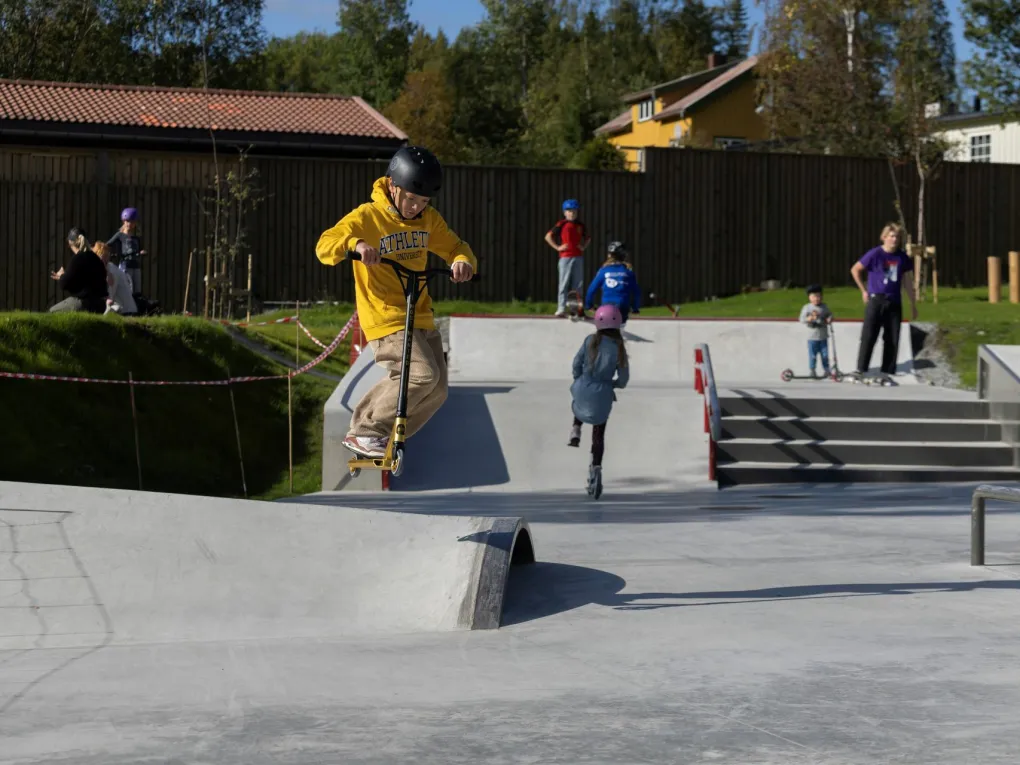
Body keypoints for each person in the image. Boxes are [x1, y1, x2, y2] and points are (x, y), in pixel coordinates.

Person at [315, 145, 477, 459]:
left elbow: (456, 246)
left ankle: (384, 439)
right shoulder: (368, 217)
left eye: (424, 202)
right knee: (422, 375)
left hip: (420, 314)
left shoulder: (429, 220)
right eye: (412, 199)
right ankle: (366, 430)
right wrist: (357, 244)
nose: (417, 207)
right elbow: (325, 245)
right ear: (393, 185)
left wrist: (462, 261)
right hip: (386, 316)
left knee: (438, 390)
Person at [568, 304, 630, 491]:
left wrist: (579, 379)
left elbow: (576, 363)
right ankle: (596, 467)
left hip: (583, 386)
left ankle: (576, 428)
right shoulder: (619, 348)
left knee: (579, 400)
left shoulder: (589, 340)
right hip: (603, 393)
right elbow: (624, 379)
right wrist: (613, 384)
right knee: (598, 434)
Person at [850, 223, 918, 376]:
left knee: (892, 337)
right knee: (869, 335)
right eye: (892, 236)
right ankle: (861, 368)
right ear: (884, 237)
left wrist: (912, 304)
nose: (894, 240)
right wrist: (863, 291)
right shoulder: (875, 254)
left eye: (897, 237)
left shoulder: (902, 257)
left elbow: (907, 280)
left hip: (894, 300)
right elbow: (855, 269)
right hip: (876, 299)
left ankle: (887, 370)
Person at [545, 198, 591, 317]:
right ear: (565, 212)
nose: (572, 214)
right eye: (569, 211)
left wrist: (583, 247)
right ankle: (561, 308)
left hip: (578, 257)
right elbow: (548, 236)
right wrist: (558, 247)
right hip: (565, 257)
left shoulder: (580, 225)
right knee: (563, 283)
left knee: (578, 284)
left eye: (574, 211)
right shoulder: (561, 224)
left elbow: (588, 238)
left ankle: (576, 309)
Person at [49, 228, 109, 314]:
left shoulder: (78, 258)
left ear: (70, 242)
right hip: (100, 305)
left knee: (51, 312)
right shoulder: (96, 259)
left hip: (85, 303)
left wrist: (61, 276)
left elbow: (64, 284)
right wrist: (64, 277)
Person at [585, 241, 642, 323]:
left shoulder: (603, 271)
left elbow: (591, 290)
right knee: (620, 326)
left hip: (606, 308)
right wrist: (635, 308)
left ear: (609, 255)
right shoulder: (628, 272)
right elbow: (636, 293)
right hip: (622, 307)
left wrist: (589, 306)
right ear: (624, 256)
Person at [107, 207, 146, 298]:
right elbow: (108, 244)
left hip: (136, 266)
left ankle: (137, 305)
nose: (130, 224)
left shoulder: (136, 237)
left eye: (132, 222)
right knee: (127, 290)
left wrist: (142, 252)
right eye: (127, 221)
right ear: (123, 221)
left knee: (137, 291)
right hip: (125, 266)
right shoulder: (120, 235)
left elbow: (139, 249)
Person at [94, 241, 138, 316]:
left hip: (126, 311)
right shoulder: (108, 268)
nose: (105, 260)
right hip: (122, 309)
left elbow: (110, 297)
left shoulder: (111, 271)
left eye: (106, 256)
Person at [799, 284, 833, 378]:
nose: (816, 299)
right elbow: (801, 319)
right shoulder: (807, 307)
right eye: (814, 296)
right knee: (813, 355)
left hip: (823, 337)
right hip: (812, 338)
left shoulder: (824, 307)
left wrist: (829, 319)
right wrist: (808, 319)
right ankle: (812, 370)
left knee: (825, 355)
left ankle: (827, 370)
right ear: (809, 297)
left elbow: (830, 314)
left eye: (818, 296)